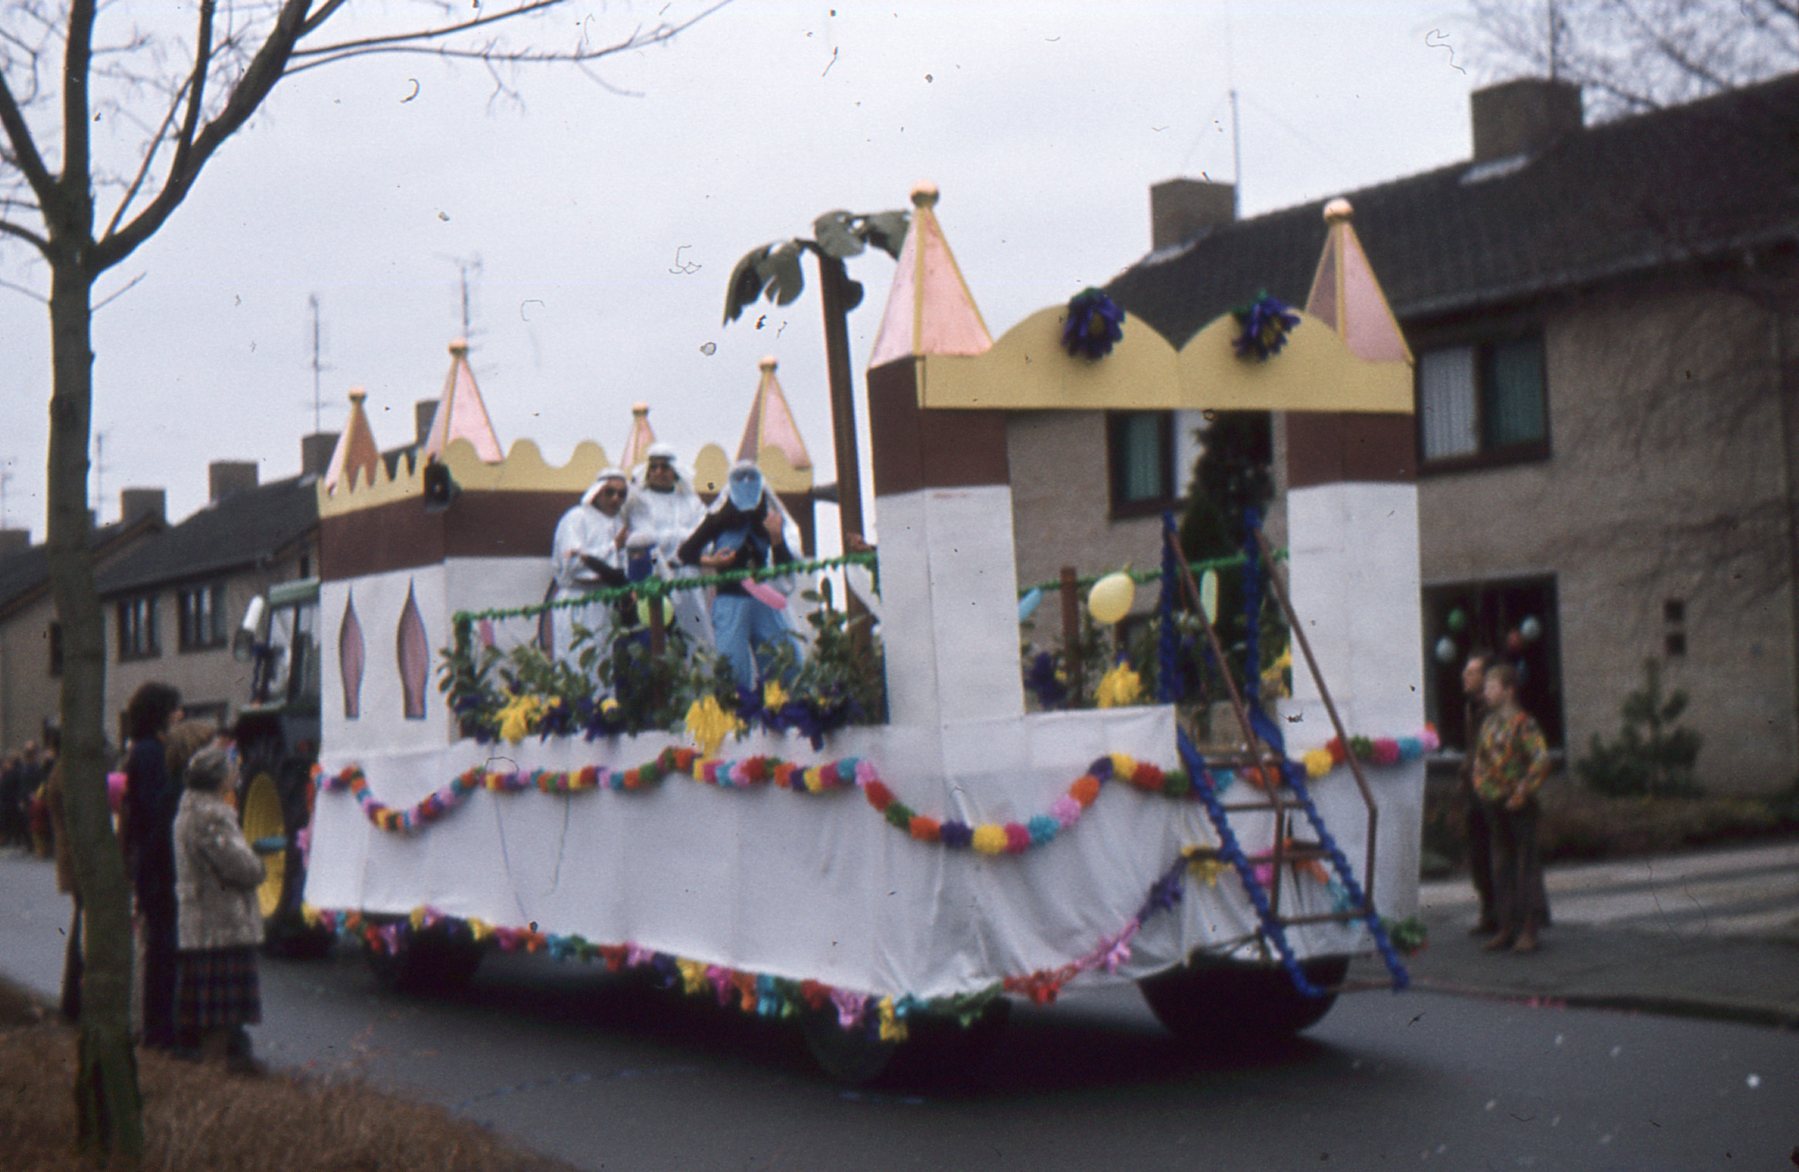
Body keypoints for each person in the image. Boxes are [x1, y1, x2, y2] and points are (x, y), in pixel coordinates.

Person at [172, 745, 267, 1074]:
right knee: (221, 1017)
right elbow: (239, 865)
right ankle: (215, 1075)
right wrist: (258, 865)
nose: (235, 774)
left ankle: (220, 1070)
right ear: (218, 777)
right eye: (231, 769)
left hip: (202, 920)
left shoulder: (188, 810)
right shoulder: (211, 815)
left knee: (212, 1013)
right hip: (221, 922)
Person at [677, 460, 804, 692]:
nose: (746, 484)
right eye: (740, 478)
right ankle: (738, 710)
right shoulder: (719, 518)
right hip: (730, 598)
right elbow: (686, 552)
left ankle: (783, 708)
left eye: (751, 478)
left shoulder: (768, 518)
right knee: (732, 665)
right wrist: (713, 562)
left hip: (763, 598)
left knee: (781, 660)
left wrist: (777, 540)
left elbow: (785, 570)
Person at [120, 681, 184, 1049]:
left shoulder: (145, 751)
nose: (179, 715)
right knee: (161, 946)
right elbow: (154, 810)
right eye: (174, 708)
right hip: (157, 864)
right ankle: (160, 1030)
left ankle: (159, 1026)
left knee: (161, 944)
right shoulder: (150, 754)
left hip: (152, 861)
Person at [1472, 663, 1552, 954]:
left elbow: (1540, 759)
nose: (1486, 692)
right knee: (1501, 863)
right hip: (1495, 803)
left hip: (1519, 802)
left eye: (1492, 687)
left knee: (1525, 864)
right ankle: (1506, 926)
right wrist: (1483, 788)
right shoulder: (1489, 724)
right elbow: (1480, 761)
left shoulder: (1523, 723)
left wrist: (1522, 790)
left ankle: (1529, 928)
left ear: (1508, 690)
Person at [623, 443, 713, 649]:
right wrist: (682, 539)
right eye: (653, 467)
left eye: (664, 467)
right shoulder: (639, 501)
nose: (658, 472)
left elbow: (704, 537)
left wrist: (676, 541)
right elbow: (645, 538)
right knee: (654, 636)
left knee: (696, 635)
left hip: (689, 576)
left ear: (675, 471)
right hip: (654, 576)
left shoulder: (691, 501)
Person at [548, 468, 632, 661]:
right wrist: (613, 547)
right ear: (597, 491)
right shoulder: (577, 517)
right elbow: (573, 562)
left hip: (607, 603)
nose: (615, 498)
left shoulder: (620, 523)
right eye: (610, 492)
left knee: (604, 661)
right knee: (576, 659)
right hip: (578, 600)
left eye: (621, 494)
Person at [1458, 651, 1498, 935]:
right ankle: (1489, 910)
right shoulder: (1471, 708)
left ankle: (1502, 914)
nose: (1465, 676)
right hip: (1474, 788)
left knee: (1495, 851)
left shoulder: (1491, 711)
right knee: (1478, 851)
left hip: (1490, 788)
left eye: (1472, 672)